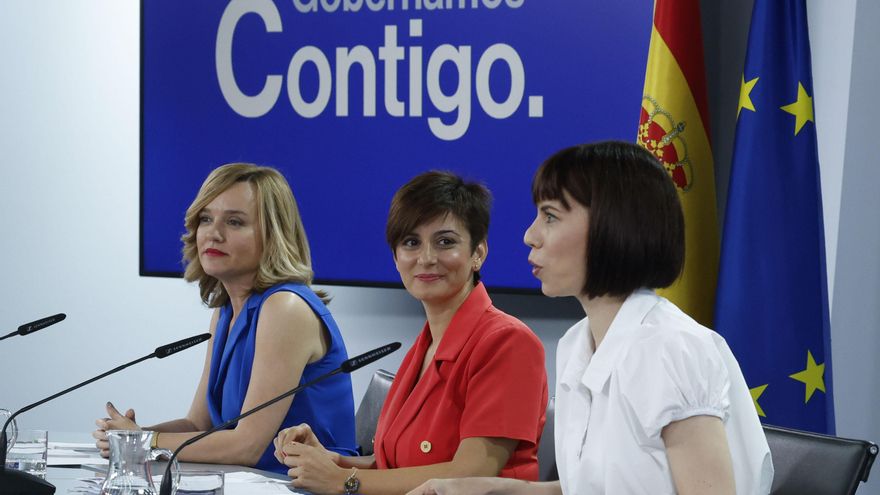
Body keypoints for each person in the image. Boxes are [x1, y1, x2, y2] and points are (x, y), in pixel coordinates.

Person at [408, 141, 774, 495]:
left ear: (612, 225)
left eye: (550, 216)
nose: (530, 236)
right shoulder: (577, 343)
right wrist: (492, 488)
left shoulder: (671, 348)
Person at [273, 171, 548, 494]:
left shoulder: (508, 342)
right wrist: (331, 462)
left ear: (478, 253)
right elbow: (396, 465)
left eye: (445, 242)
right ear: (395, 257)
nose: (426, 258)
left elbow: (469, 474)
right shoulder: (425, 344)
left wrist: (341, 481)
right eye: (411, 243)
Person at [92, 163, 358, 473]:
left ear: (273, 235)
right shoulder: (227, 309)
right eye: (206, 219)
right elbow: (199, 424)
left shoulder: (286, 308)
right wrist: (129, 437)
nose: (213, 234)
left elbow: (247, 446)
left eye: (234, 222)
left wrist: (146, 441)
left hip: (306, 485)